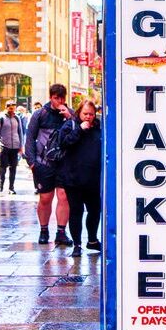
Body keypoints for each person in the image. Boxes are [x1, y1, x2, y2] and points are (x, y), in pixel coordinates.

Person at [24, 83, 73, 245]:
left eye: (61, 98)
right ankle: (43, 230)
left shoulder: (70, 114)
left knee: (64, 196)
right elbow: (29, 138)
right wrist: (32, 162)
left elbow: (79, 132)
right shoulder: (40, 114)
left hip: (64, 162)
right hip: (43, 163)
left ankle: (61, 231)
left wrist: (70, 117)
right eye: (55, 98)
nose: (59, 101)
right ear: (51, 97)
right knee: (45, 198)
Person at [56, 100, 102, 257]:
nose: (88, 117)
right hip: (73, 178)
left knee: (95, 210)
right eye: (85, 114)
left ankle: (92, 239)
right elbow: (63, 143)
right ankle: (77, 244)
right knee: (76, 211)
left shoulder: (99, 127)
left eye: (91, 114)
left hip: (93, 178)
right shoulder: (71, 125)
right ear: (79, 113)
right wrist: (80, 130)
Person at [0, 100, 25, 194]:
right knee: (3, 167)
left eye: (13, 106)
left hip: (15, 147)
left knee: (13, 167)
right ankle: (1, 185)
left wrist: (21, 146)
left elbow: (20, 132)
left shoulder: (17, 118)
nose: (11, 107)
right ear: (6, 107)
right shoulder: (1, 118)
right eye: (9, 106)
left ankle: (11, 187)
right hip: (4, 146)